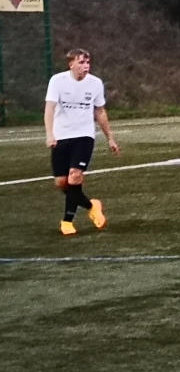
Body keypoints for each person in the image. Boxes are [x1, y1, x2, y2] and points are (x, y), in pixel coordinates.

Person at [44, 48, 120, 235]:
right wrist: (49, 134)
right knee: (62, 182)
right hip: (61, 136)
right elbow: (49, 108)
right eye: (81, 63)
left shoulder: (95, 83)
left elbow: (100, 111)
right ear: (71, 64)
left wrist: (110, 138)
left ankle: (67, 221)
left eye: (87, 63)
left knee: (75, 176)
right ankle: (91, 206)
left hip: (84, 136)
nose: (86, 66)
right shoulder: (57, 81)